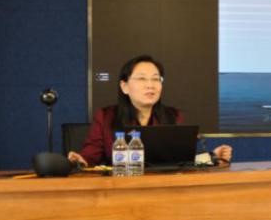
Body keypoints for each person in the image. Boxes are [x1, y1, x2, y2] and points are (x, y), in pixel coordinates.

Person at [67, 54, 232, 167]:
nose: (150, 85)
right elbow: (90, 157)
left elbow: (184, 162)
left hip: (164, 191)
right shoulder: (106, 117)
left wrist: (212, 156)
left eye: (156, 79)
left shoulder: (173, 116)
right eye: (141, 79)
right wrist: (80, 160)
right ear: (124, 86)